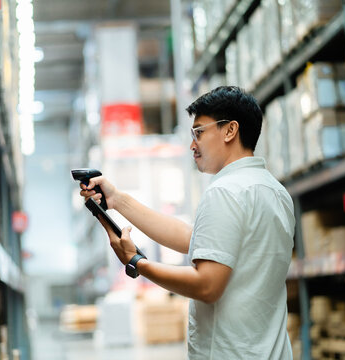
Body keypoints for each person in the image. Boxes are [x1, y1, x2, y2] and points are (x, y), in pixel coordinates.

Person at [80, 86, 295, 359]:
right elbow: (192, 237)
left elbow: (207, 285)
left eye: (199, 132)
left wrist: (136, 263)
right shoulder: (274, 191)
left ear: (230, 131)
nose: (193, 144)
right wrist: (118, 200)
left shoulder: (225, 192)